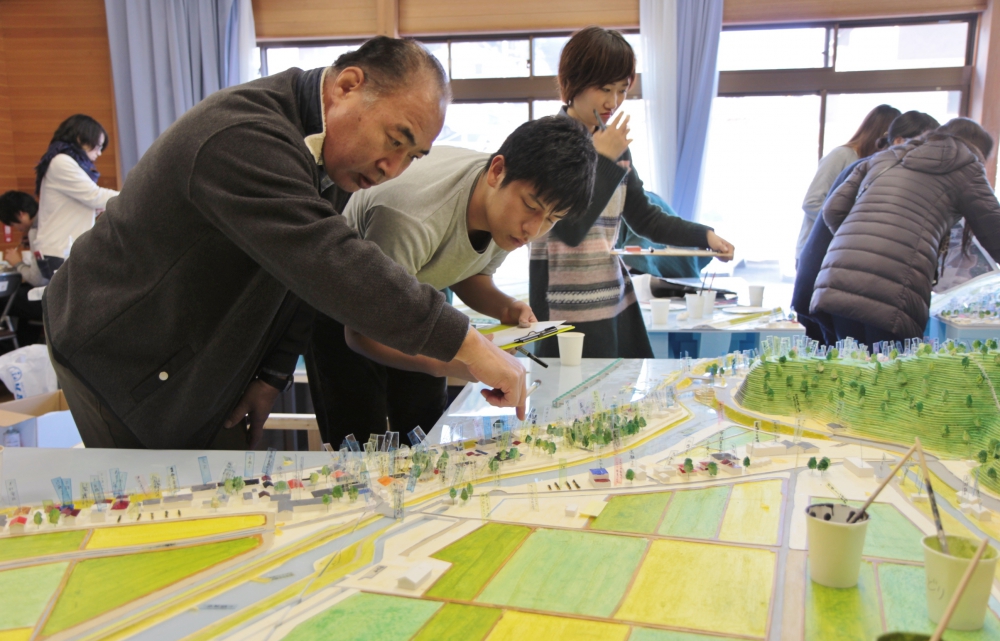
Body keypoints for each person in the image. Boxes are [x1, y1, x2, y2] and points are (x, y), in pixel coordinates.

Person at [43, 37, 527, 450]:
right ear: (347, 86)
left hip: (197, 347)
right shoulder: (245, 135)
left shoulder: (329, 156)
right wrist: (468, 344)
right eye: (393, 140)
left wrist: (271, 375)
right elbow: (330, 262)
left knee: (218, 488)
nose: (392, 169)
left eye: (412, 156)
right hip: (119, 347)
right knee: (167, 503)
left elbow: (299, 282)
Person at [307, 115, 596, 445]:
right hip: (345, 307)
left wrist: (505, 307)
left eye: (552, 219)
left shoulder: (505, 210)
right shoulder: (411, 217)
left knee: (425, 438)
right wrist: (453, 361)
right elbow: (359, 334)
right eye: (531, 206)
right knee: (359, 448)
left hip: (419, 299)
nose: (534, 229)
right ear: (497, 171)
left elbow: (464, 269)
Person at [529, 26, 734, 359]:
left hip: (613, 303)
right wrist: (602, 159)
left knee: (624, 390)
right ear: (573, 82)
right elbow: (566, 229)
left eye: (622, 90)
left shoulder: (616, 147)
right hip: (563, 312)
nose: (613, 102)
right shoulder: (546, 141)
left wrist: (704, 236)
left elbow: (646, 218)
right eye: (604, 89)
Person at [812, 118, 1000, 347]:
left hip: (837, 278)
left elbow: (832, 210)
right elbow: (995, 233)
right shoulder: (966, 167)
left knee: (852, 364)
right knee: (893, 367)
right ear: (979, 151)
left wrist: (858, 243)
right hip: (894, 287)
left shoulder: (886, 157)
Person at [792, 111, 940, 344]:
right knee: (857, 356)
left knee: (851, 355)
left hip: (838, 283)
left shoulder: (880, 169)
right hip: (837, 282)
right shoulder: (870, 168)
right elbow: (825, 209)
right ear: (898, 141)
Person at [794, 104, 900, 261]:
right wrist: (849, 225)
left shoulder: (875, 164)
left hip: (843, 251)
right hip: (817, 250)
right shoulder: (842, 155)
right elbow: (811, 202)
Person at [34, 114, 119, 277]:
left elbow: (87, 200)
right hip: (59, 251)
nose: (99, 153)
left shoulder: (62, 161)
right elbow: (94, 195)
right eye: (97, 146)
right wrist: (132, 195)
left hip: (59, 250)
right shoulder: (62, 161)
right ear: (80, 139)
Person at [0, 191, 47, 346]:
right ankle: (24, 346)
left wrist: (17, 263)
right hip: (61, 294)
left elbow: (38, 280)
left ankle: (10, 349)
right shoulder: (47, 221)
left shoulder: (37, 231)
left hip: (48, 298)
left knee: (6, 298)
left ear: (21, 214)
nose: (17, 228)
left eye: (14, 224)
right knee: (19, 294)